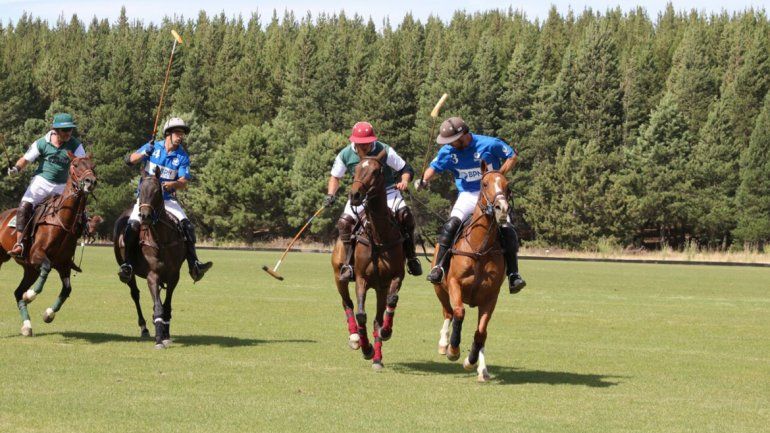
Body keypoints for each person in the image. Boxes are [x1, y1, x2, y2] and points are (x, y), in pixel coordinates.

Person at [415, 116, 526, 294]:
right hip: (468, 195)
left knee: (506, 227)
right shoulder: (448, 151)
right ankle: (439, 268)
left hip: (492, 194)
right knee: (451, 225)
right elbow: (434, 167)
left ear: (463, 135)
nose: (449, 144)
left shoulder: (489, 144)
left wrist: (496, 176)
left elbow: (512, 156)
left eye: (452, 140)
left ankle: (513, 274)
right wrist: (424, 181)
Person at [118, 117, 212, 283]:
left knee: (187, 226)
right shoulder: (153, 147)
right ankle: (127, 264)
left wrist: (173, 184)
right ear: (168, 134)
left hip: (167, 200)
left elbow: (184, 182)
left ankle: (194, 263)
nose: (180, 136)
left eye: (182, 133)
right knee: (132, 226)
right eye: (177, 132)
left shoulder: (182, 156)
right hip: (146, 199)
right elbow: (129, 160)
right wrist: (143, 153)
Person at [325, 121, 422, 281]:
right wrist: (330, 194)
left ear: (372, 140)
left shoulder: (385, 150)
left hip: (388, 193)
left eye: (367, 143)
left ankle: (411, 258)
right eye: (360, 143)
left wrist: (404, 181)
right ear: (353, 141)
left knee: (406, 216)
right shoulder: (345, 154)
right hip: (361, 195)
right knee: (344, 222)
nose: (364, 147)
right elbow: (335, 177)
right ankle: (349, 264)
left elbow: (405, 169)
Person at [7, 113, 86, 257]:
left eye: (70, 129)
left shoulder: (75, 145)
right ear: (55, 130)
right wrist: (16, 169)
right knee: (25, 206)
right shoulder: (41, 143)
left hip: (63, 186)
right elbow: (25, 159)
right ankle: (20, 243)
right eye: (65, 130)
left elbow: (82, 162)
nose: (69, 133)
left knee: (79, 214)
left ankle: (68, 250)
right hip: (42, 182)